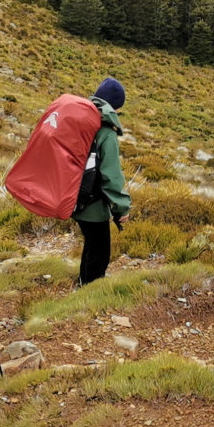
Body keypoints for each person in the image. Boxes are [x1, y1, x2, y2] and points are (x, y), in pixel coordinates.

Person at [72, 77, 132, 286]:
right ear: (115, 107)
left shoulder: (81, 123)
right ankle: (90, 294)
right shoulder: (106, 132)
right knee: (100, 252)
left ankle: (82, 284)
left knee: (91, 245)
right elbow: (111, 177)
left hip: (73, 196)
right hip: (93, 204)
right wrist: (122, 208)